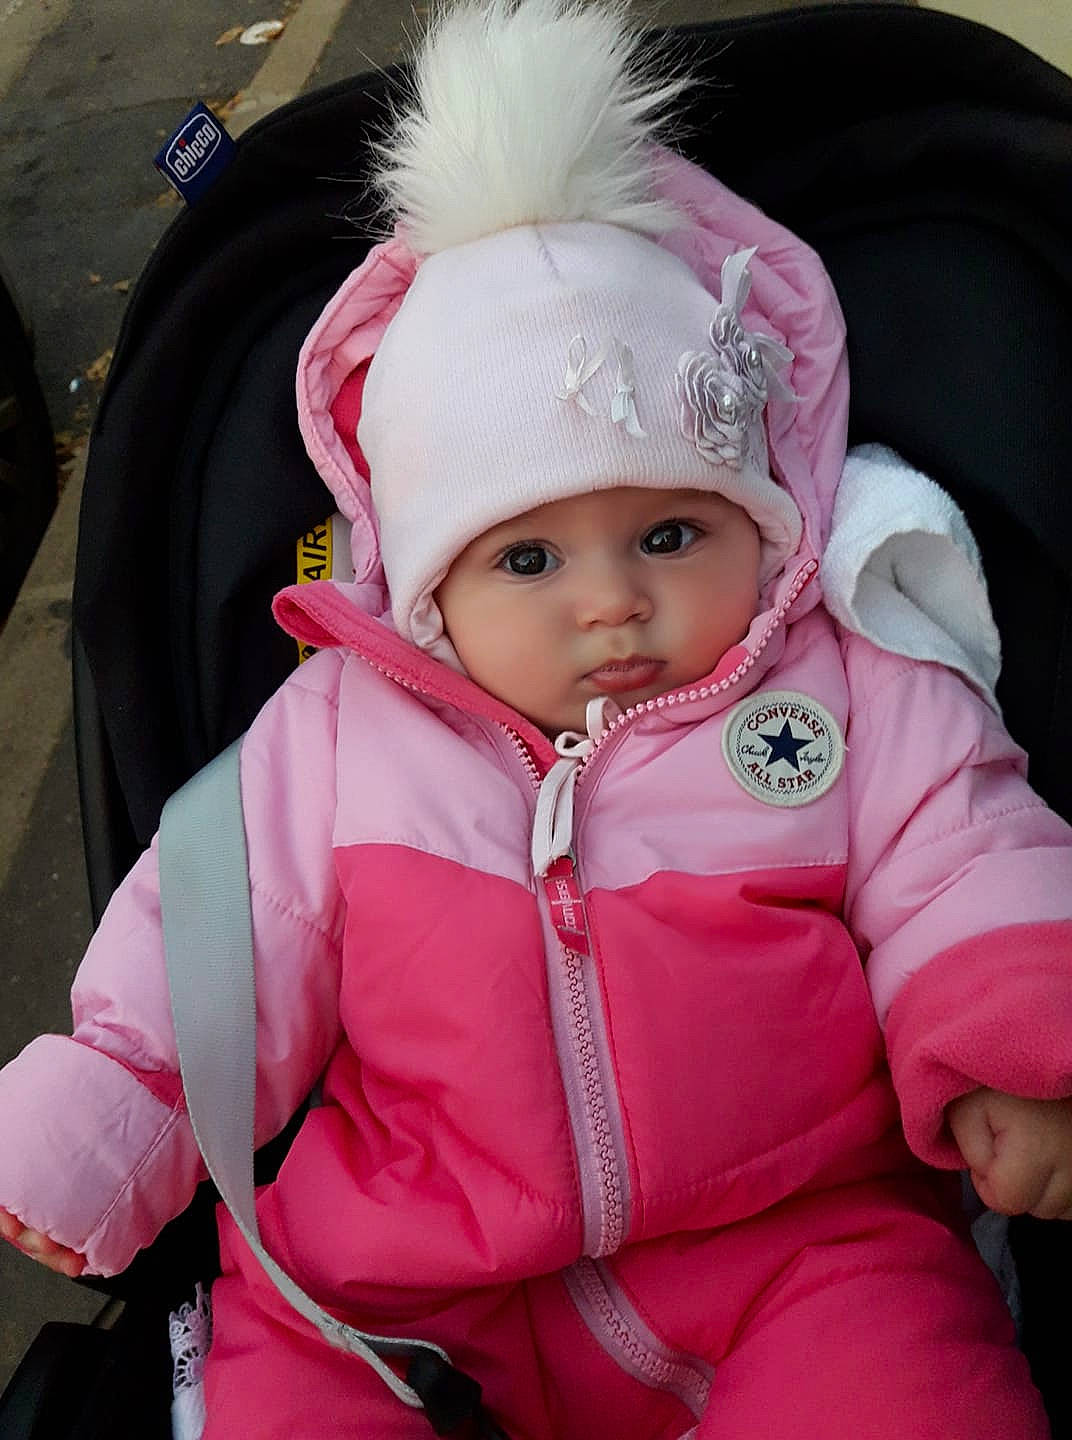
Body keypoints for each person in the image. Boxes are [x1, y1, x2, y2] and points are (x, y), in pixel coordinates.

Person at [2, 1, 1072, 1435]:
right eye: (529, 559)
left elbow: (966, 856)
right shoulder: (341, 741)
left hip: (797, 1246)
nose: (613, 603)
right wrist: (107, 1110)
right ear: (431, 577)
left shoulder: (848, 682)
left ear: (766, 514)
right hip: (395, 1287)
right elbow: (210, 947)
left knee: (903, 1384)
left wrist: (1014, 1047)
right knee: (291, 1394)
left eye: (674, 535)